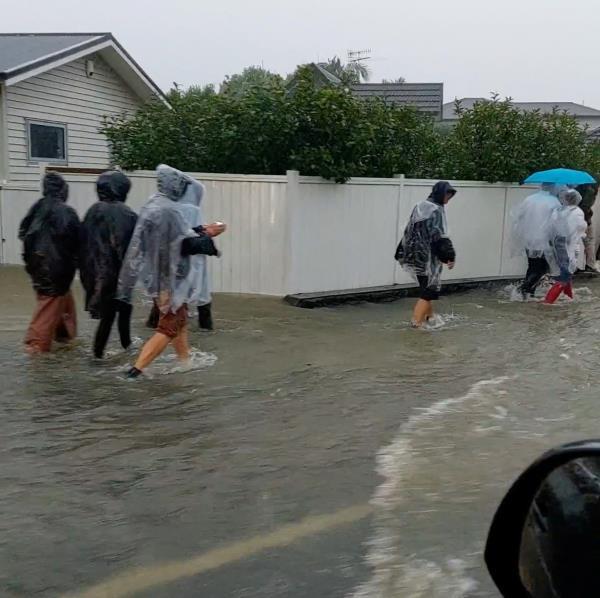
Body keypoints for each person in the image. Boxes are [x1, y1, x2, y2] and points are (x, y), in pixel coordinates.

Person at [118, 164, 226, 378]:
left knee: (179, 321)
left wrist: (201, 230)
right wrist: (208, 237)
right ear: (175, 185)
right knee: (169, 327)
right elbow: (183, 243)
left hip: (157, 276)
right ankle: (135, 371)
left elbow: (171, 237)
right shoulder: (169, 210)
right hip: (170, 279)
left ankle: (184, 361)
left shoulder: (153, 205)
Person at [19, 172, 81, 353]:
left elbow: (23, 233)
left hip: (38, 266)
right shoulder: (66, 212)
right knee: (48, 307)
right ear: (62, 190)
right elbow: (78, 241)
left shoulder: (37, 207)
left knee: (62, 302)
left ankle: (64, 338)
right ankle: (35, 350)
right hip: (57, 269)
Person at [79, 171, 138, 358]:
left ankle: (116, 348)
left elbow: (81, 241)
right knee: (118, 311)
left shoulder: (92, 210)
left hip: (93, 272)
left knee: (110, 313)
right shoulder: (126, 213)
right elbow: (131, 245)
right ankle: (110, 351)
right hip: (116, 272)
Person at [145, 177, 216, 330]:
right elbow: (193, 237)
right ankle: (200, 330)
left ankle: (156, 326)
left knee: (166, 302)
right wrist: (208, 234)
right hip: (188, 261)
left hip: (168, 264)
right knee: (198, 299)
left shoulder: (161, 207)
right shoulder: (192, 210)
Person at [395, 181, 456, 327]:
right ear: (440, 193)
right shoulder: (436, 210)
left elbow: (409, 230)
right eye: (447, 194)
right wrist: (449, 256)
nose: (448, 198)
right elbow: (439, 236)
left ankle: (430, 317)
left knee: (426, 287)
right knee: (429, 291)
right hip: (427, 256)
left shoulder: (420, 206)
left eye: (450, 195)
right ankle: (416, 324)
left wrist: (402, 251)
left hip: (412, 254)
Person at [511, 183, 562, 299]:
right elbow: (556, 223)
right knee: (541, 268)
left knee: (533, 265)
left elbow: (519, 217)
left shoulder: (529, 199)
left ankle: (528, 293)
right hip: (544, 240)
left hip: (528, 238)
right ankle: (524, 290)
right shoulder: (554, 202)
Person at [544, 189, 587, 304]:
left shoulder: (557, 210)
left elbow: (550, 227)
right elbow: (580, 228)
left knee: (566, 273)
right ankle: (547, 303)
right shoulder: (577, 211)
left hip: (556, 243)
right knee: (564, 276)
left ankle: (569, 297)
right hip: (568, 245)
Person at [576, 183, 599, 272]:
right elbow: (586, 207)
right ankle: (590, 265)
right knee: (589, 241)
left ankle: (577, 266)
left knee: (577, 242)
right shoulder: (591, 191)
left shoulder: (575, 189)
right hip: (585, 220)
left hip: (576, 219)